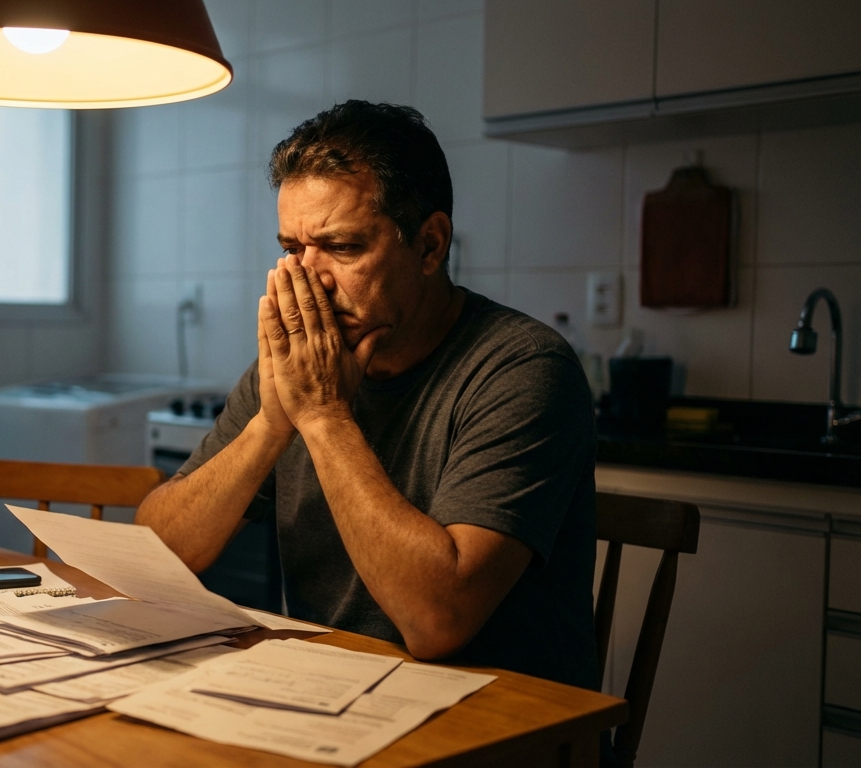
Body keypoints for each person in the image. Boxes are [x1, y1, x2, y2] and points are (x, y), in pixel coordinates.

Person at [136, 100, 599, 691]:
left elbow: (438, 621)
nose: (310, 280)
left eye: (344, 247)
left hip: (501, 730)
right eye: (291, 250)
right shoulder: (298, 367)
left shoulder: (524, 368)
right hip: (328, 696)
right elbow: (154, 557)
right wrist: (270, 427)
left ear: (430, 245)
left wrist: (324, 416)